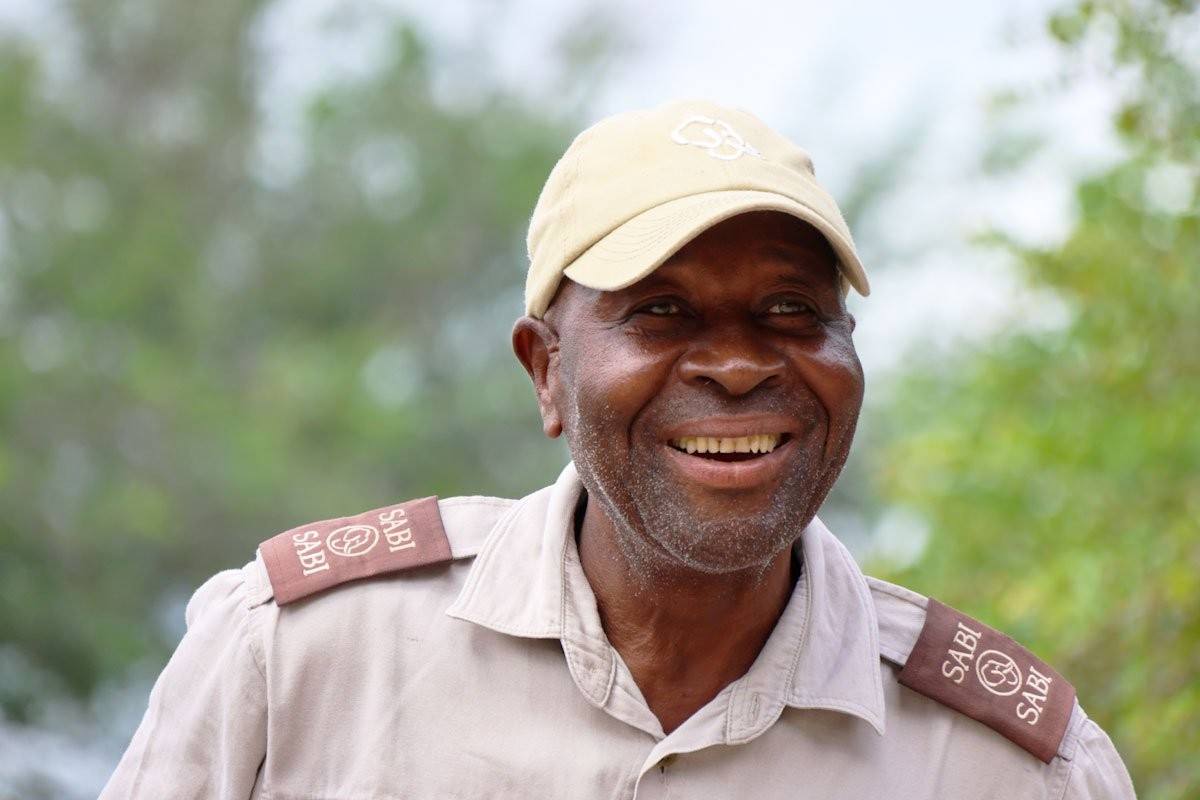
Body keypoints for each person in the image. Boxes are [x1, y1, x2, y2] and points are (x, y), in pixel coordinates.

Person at [100, 99, 1136, 799]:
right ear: (545, 370)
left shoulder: (1009, 762)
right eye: (660, 310)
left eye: (789, 309)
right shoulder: (298, 655)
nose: (736, 365)